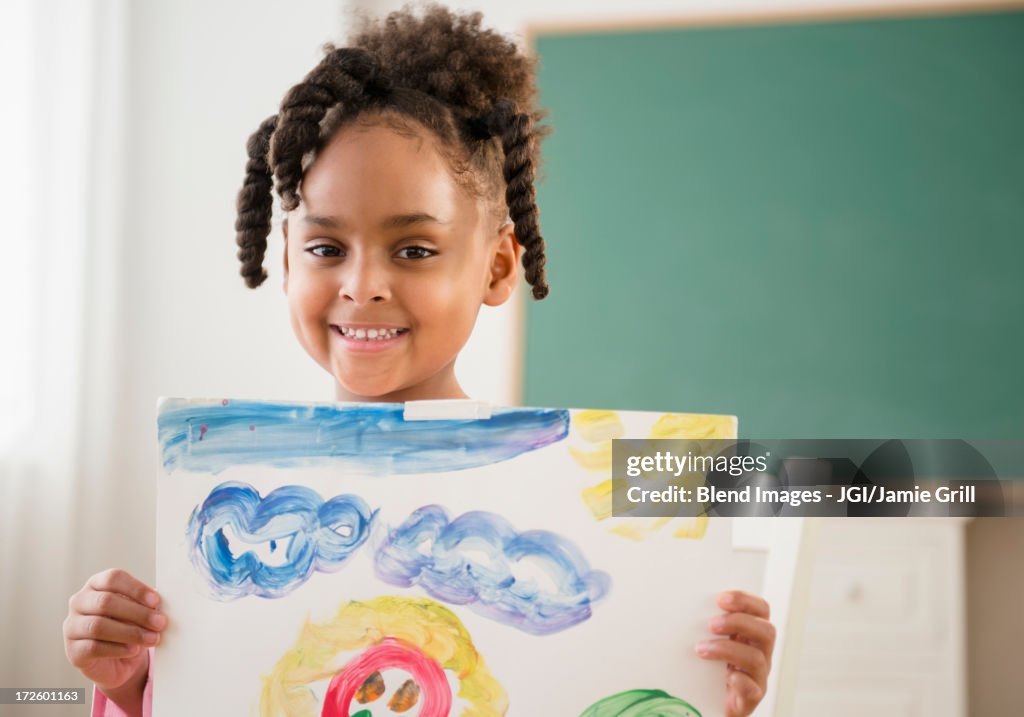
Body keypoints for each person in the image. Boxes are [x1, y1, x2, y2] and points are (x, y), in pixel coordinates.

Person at [62, 5, 776, 716]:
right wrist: (129, 683)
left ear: (497, 267)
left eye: (413, 250)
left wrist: (704, 693)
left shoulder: (576, 483)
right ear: (286, 260)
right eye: (325, 248)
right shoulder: (223, 497)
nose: (362, 282)